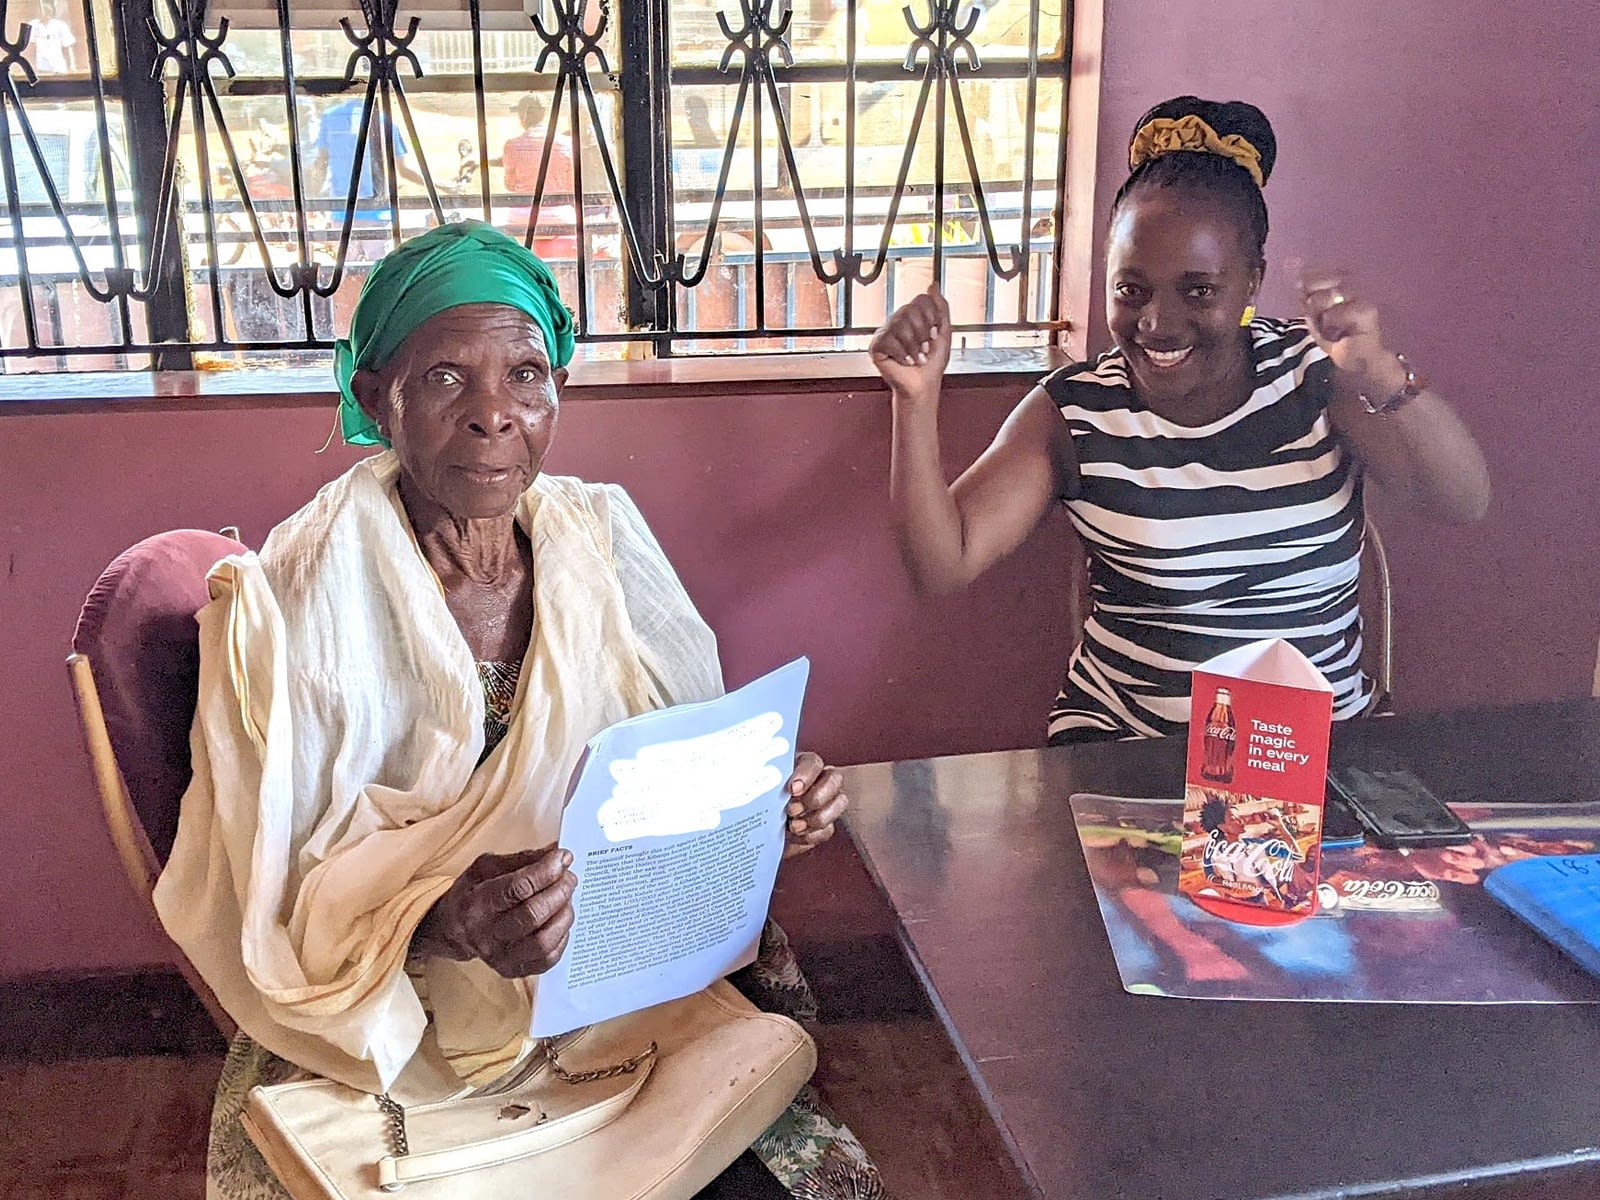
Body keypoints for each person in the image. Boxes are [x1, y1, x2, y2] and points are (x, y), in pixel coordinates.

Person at [153, 221, 883, 1197]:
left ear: (557, 391)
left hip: (615, 983)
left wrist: (764, 802)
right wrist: (440, 916)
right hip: (390, 1013)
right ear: (377, 398)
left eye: (526, 374)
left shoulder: (601, 538)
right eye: (447, 377)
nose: (494, 414)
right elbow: (268, 891)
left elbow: (676, 765)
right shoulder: (288, 605)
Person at [874, 96, 1491, 744]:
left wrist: (1378, 372)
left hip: (1318, 755)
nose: (1157, 324)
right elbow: (943, 567)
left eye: (1198, 290)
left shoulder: (1316, 377)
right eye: (1130, 289)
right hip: (1133, 756)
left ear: (1250, 283)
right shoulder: (1077, 410)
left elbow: (1464, 500)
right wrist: (914, 403)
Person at [499, 93, 575, 199]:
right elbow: (571, 184)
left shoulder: (512, 146)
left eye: (520, 113)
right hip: (558, 210)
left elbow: (510, 184)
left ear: (525, 114)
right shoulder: (567, 143)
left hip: (524, 210)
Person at [28, 0, 76, 75]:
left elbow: (67, 46)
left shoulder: (60, 26)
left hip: (58, 67)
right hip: (41, 68)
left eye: (47, 13)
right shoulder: (34, 25)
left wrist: (72, 65)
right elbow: (30, 48)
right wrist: (31, 67)